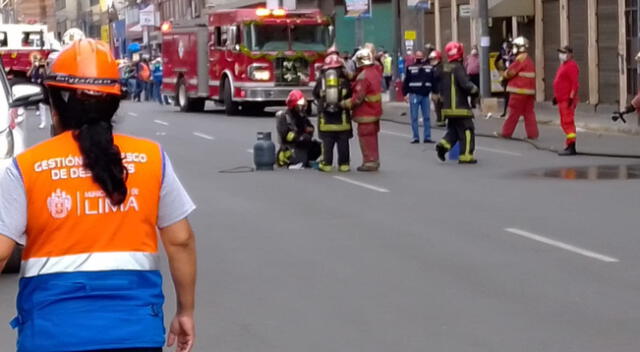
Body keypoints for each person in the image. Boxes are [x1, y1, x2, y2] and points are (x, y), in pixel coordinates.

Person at [0, 39, 197, 352]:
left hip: (52, 335)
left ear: (54, 104)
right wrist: (185, 311)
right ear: (114, 103)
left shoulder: (26, 166)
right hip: (135, 333)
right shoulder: (151, 157)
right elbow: (181, 241)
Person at [435, 42, 479, 164]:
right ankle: (466, 155)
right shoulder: (458, 68)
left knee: (455, 129)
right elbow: (465, 84)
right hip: (460, 107)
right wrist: (475, 90)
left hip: (447, 107)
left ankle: (443, 146)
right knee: (467, 129)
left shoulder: (444, 67)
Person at [341, 48, 383, 172]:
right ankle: (374, 160)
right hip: (375, 112)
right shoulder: (374, 71)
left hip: (366, 113)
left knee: (366, 137)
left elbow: (358, 98)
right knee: (373, 137)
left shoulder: (363, 77)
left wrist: (344, 103)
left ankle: (369, 162)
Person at [313, 54, 353, 172]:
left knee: (328, 143)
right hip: (343, 120)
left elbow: (315, 93)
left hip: (326, 120)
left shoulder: (321, 80)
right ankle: (344, 165)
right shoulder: (345, 81)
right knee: (343, 143)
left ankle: (327, 164)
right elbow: (351, 94)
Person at [497, 36, 539, 140]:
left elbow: (510, 72)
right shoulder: (529, 60)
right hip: (529, 92)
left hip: (518, 91)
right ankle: (532, 134)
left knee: (513, 113)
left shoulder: (520, 60)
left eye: (515, 46)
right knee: (529, 113)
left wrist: (504, 74)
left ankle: (506, 133)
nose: (513, 48)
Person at [276, 90, 321, 168]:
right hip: (290, 146)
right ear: (294, 104)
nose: (302, 107)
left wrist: (309, 130)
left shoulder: (302, 115)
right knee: (304, 140)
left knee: (317, 146)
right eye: (300, 105)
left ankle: (308, 159)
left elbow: (310, 126)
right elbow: (285, 136)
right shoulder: (285, 117)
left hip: (302, 142)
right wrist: (300, 135)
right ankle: (289, 159)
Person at [403, 50, 436, 143]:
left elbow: (433, 81)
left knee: (426, 117)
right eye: (418, 56)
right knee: (414, 117)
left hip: (425, 95)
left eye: (420, 56)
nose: (419, 58)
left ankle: (427, 137)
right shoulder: (410, 68)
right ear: (415, 57)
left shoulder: (429, 68)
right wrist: (405, 94)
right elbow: (406, 81)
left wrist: (435, 92)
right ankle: (415, 137)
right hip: (414, 95)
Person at [552, 45, 580, 156]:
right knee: (564, 123)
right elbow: (560, 82)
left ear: (570, 54)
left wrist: (571, 97)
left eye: (564, 53)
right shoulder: (563, 65)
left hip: (567, 100)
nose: (561, 55)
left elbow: (575, 84)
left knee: (568, 122)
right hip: (562, 99)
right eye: (560, 52)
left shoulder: (571, 66)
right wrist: (556, 97)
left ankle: (571, 146)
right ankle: (569, 145)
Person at [27, 53, 48, 129]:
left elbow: (43, 72)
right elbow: (28, 74)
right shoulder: (33, 68)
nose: (35, 61)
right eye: (34, 60)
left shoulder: (40, 68)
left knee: (42, 105)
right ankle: (37, 110)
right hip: (34, 87)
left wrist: (41, 64)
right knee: (36, 102)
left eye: (36, 60)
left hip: (40, 87)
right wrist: (32, 67)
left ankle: (43, 121)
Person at [429, 50, 446, 127]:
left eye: (433, 59)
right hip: (435, 91)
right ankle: (439, 119)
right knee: (437, 106)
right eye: (431, 59)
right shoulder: (433, 68)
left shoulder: (441, 67)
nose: (432, 60)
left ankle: (441, 120)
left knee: (440, 106)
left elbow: (438, 77)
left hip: (441, 91)